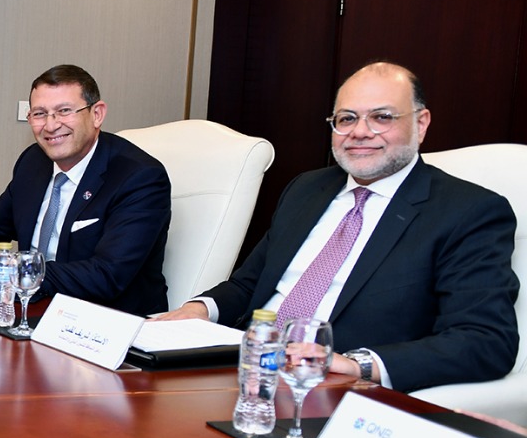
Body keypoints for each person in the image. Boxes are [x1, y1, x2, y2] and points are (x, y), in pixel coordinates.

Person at [159, 61, 518, 393]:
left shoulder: (467, 211)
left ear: (421, 124)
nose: (359, 132)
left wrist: (358, 365)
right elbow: (249, 284)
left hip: (336, 388)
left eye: (382, 117)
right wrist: (199, 310)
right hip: (243, 367)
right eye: (346, 119)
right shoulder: (306, 189)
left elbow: (485, 340)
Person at [0, 64, 172, 316]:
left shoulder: (139, 177)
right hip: (30, 306)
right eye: (40, 114)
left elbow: (108, 274)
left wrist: (5, 273)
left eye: (64, 111)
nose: (51, 125)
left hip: (106, 318)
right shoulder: (34, 160)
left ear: (97, 114)